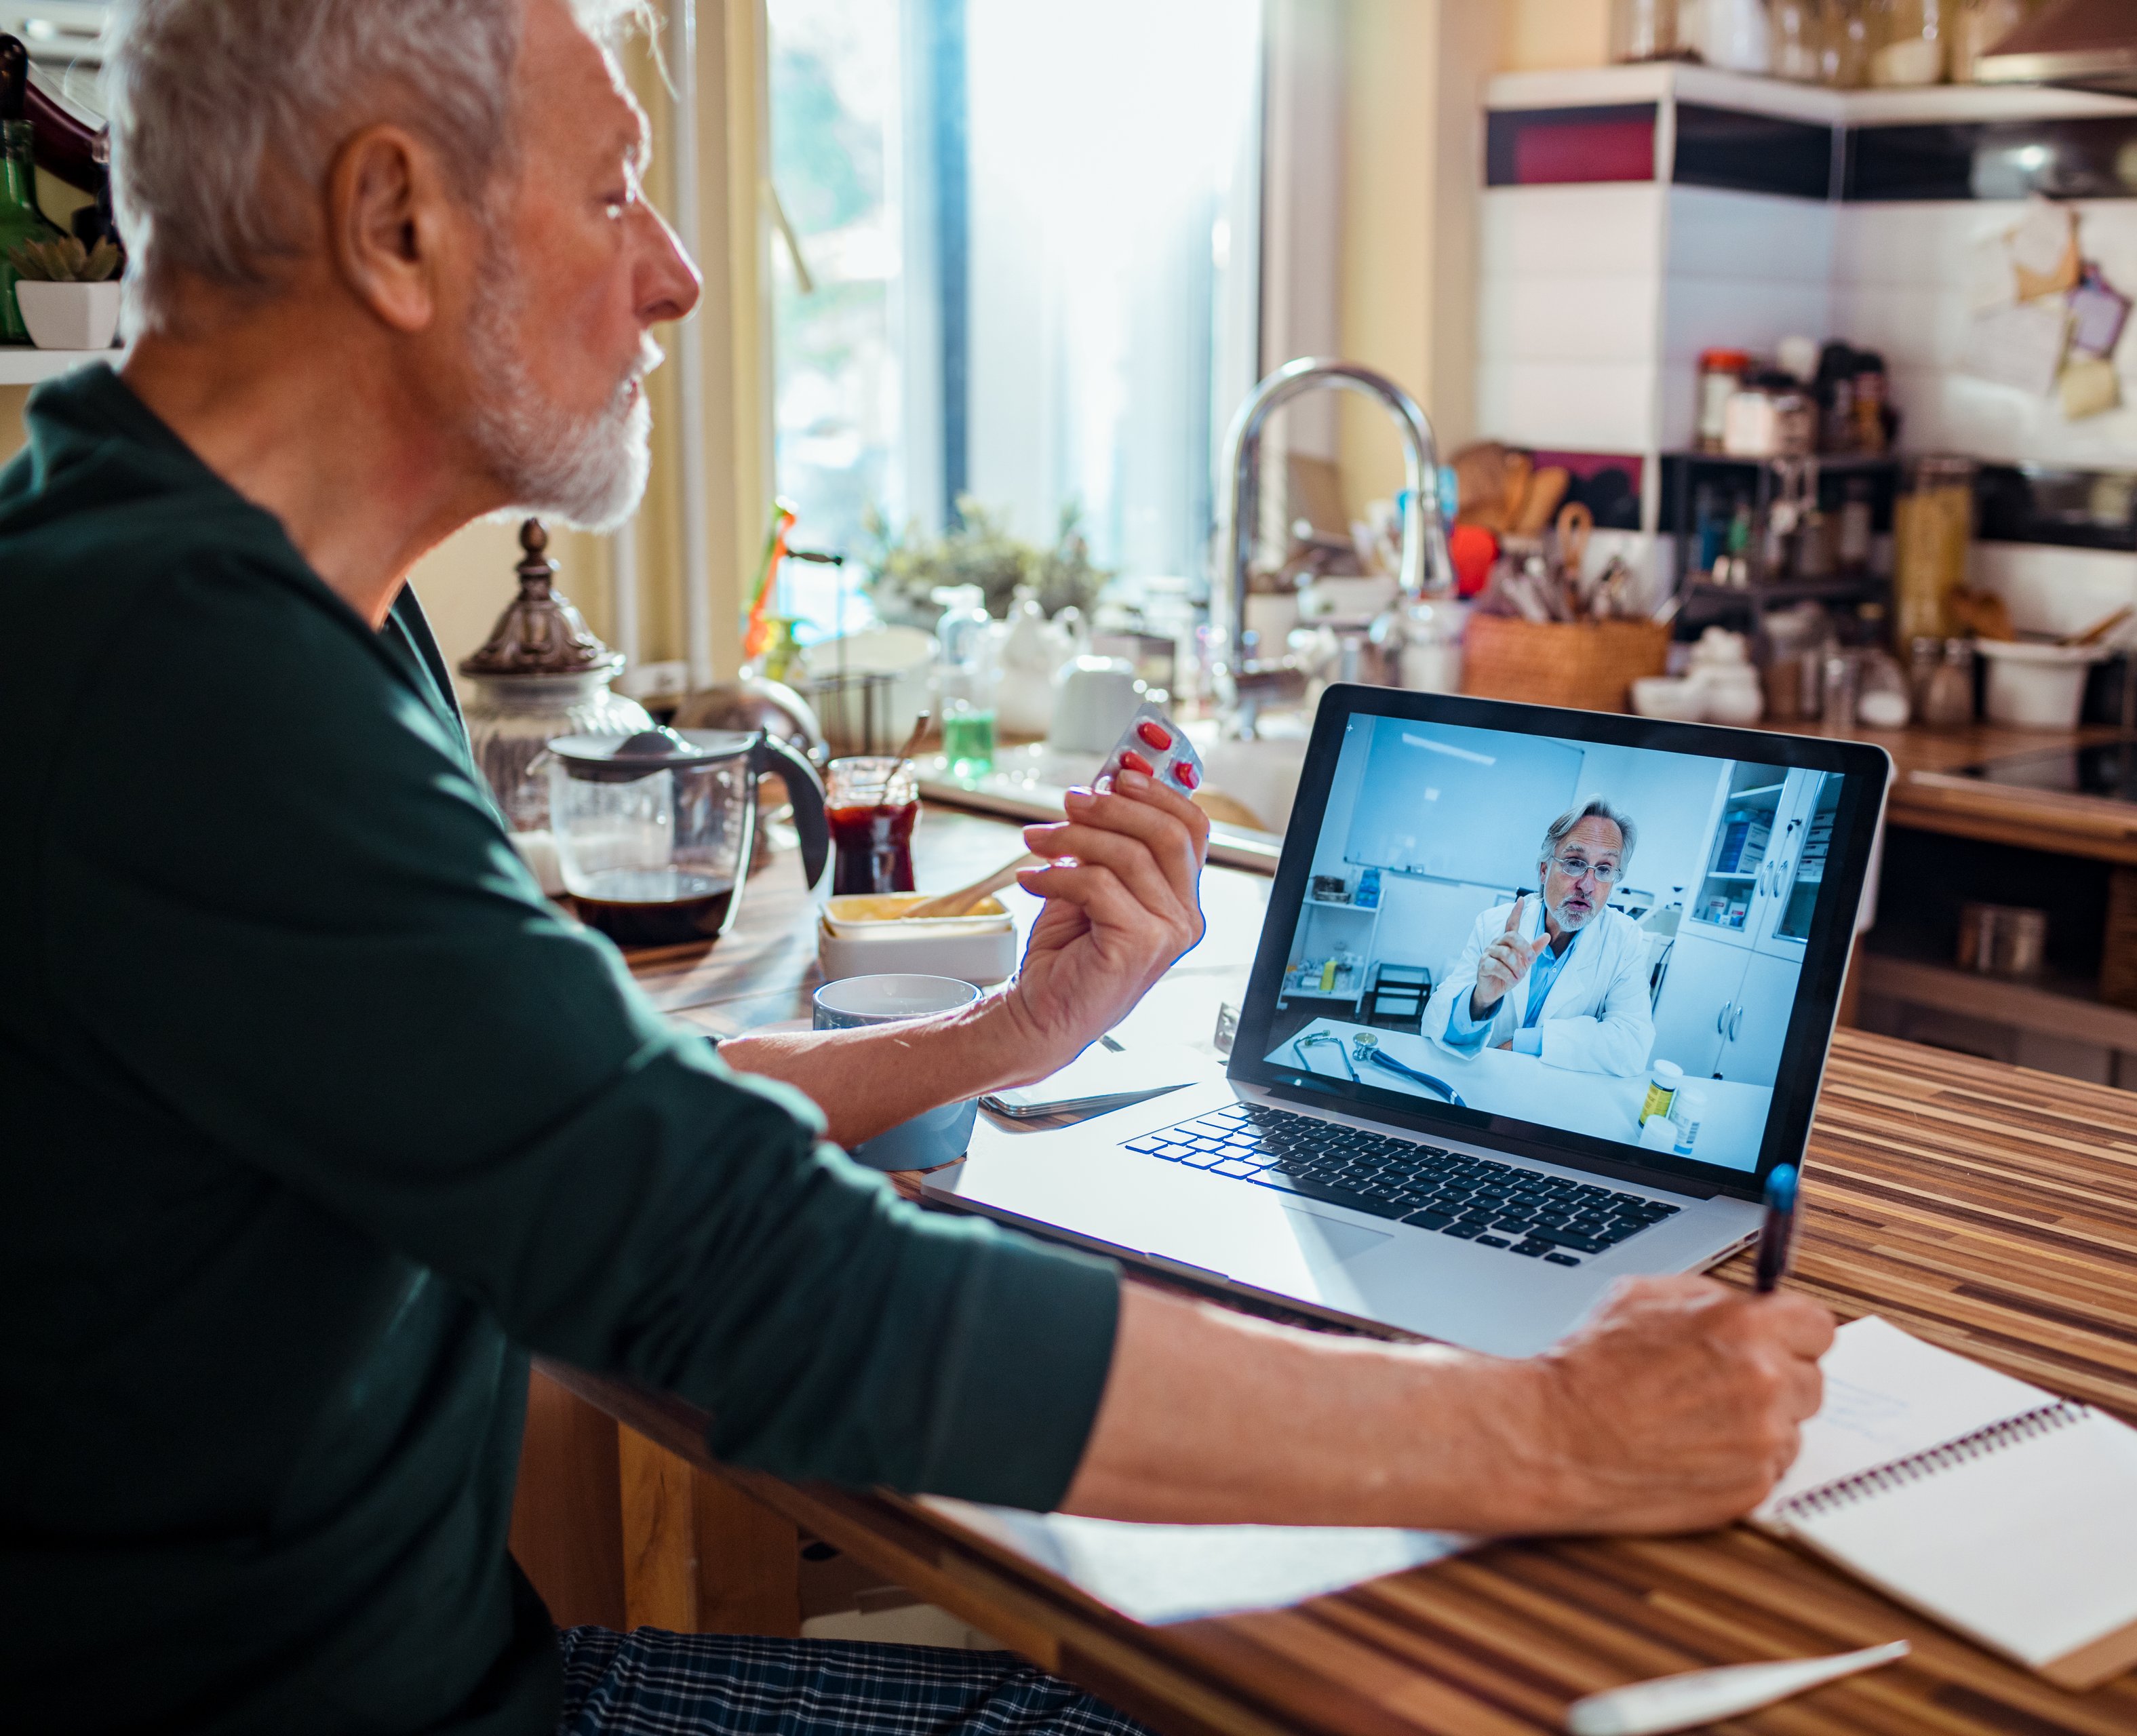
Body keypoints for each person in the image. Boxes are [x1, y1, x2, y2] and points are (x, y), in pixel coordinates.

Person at [0, 3, 1833, 1733]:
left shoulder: (287, 611)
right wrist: (1560, 1435)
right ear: (396, 221)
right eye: (616, 186)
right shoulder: (177, 676)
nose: (677, 273)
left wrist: (1007, 1036)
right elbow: (747, 1276)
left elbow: (598, 1106)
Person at [1422, 799, 1657, 1076]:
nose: (1588, 885)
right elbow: (1435, 1022)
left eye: (1604, 869)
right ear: (1545, 870)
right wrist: (1479, 1001)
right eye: (1574, 863)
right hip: (1482, 1079)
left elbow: (1632, 1044)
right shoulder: (1493, 924)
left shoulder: (1625, 940)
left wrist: (1523, 1044)